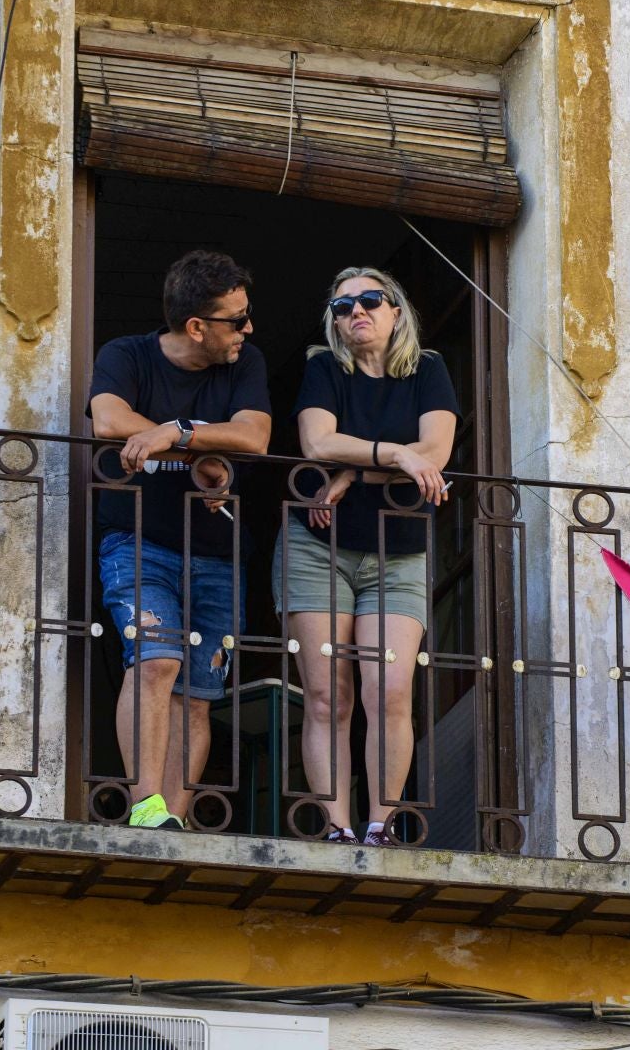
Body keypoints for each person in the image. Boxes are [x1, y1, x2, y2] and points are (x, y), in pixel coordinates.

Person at [87, 250, 272, 830]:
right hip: (137, 540)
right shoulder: (126, 354)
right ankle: (145, 808)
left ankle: (174, 821)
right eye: (236, 320)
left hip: (218, 552)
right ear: (197, 326)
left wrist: (179, 432)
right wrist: (199, 454)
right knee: (155, 661)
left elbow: (255, 436)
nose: (248, 328)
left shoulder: (245, 362)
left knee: (197, 691)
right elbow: (108, 420)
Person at [277, 266, 457, 846]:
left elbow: (436, 451)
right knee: (328, 695)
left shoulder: (427, 369)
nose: (356, 311)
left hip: (399, 553)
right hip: (318, 547)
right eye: (342, 305)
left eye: (371, 300)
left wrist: (355, 471)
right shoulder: (324, 368)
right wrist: (397, 457)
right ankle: (337, 828)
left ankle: (380, 826)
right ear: (334, 321)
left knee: (391, 692)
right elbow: (318, 441)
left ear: (395, 312)